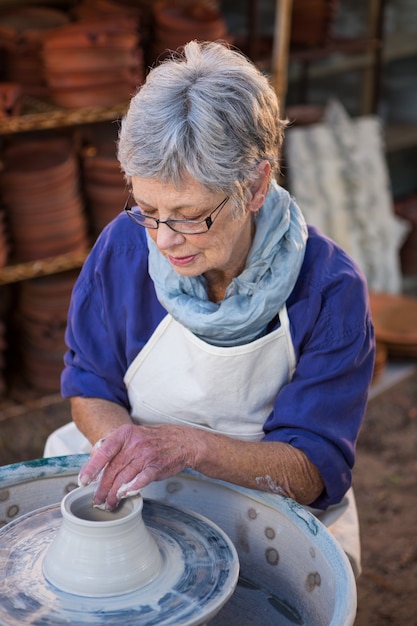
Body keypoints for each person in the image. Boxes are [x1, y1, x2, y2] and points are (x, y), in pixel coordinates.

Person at [44, 40, 375, 578]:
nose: (165, 240)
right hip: (143, 487)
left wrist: (187, 446)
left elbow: (312, 468)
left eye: (189, 215)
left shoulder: (329, 290)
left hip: (268, 503)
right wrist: (120, 449)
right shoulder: (123, 249)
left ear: (256, 186)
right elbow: (89, 384)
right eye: (148, 210)